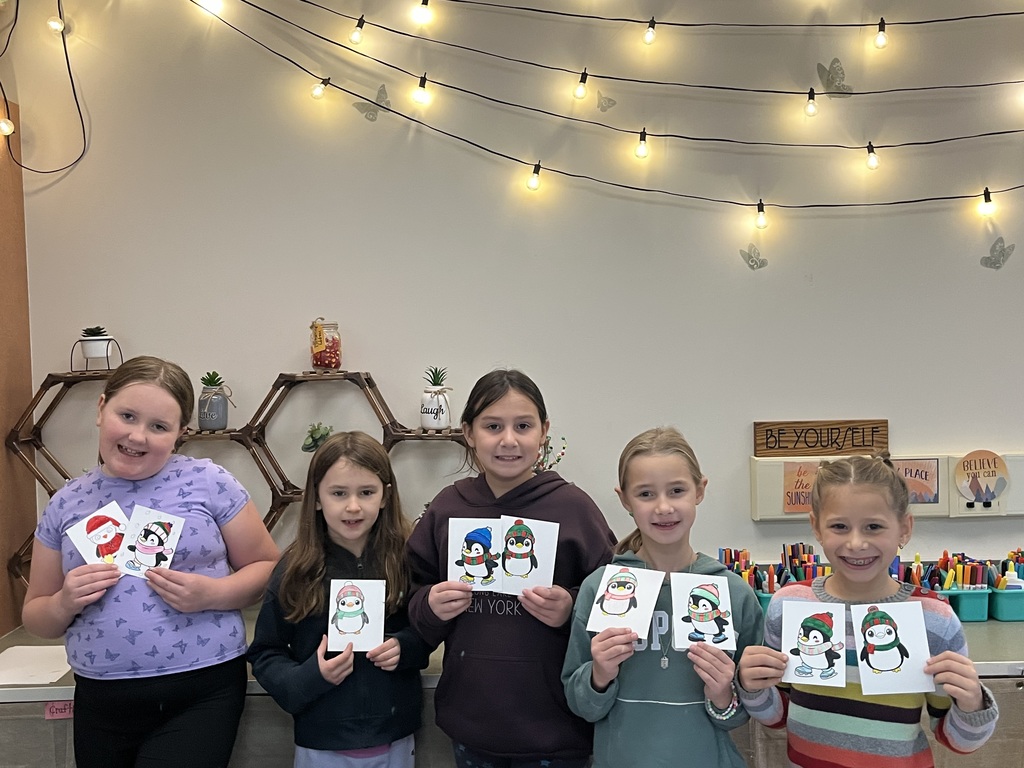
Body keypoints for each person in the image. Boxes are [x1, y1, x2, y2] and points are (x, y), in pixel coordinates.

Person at [22, 355, 280, 768]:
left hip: (201, 690)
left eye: (159, 426)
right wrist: (64, 602)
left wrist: (214, 593)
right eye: (126, 415)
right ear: (101, 408)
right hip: (101, 697)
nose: (137, 436)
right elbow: (36, 615)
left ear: (180, 434)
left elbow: (268, 567)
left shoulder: (209, 482)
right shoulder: (65, 503)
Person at [406, 369, 616, 768]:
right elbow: (411, 600)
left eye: (523, 426)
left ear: (544, 431)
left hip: (557, 730)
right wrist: (430, 605)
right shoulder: (448, 509)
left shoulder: (573, 509)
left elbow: (616, 598)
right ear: (468, 432)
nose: (508, 440)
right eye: (492, 426)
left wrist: (572, 607)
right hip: (472, 726)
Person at [737, 454, 1000, 767]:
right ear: (816, 528)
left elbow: (954, 739)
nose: (856, 543)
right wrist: (752, 686)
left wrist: (972, 702)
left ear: (904, 529)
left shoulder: (933, 618)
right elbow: (777, 716)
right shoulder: (790, 605)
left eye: (874, 526)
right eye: (839, 526)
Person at [561, 426, 762, 767]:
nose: (664, 507)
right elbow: (582, 707)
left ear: (700, 490)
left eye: (677, 490)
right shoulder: (601, 589)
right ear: (624, 499)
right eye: (645, 494)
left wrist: (721, 693)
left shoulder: (733, 594)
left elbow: (742, 716)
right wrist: (599, 674)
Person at [247, 431, 432, 768]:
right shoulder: (295, 569)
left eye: (366, 492)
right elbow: (265, 652)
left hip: (395, 735)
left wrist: (405, 647)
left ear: (385, 496)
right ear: (316, 497)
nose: (353, 506)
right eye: (338, 493)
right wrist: (311, 675)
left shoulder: (407, 560)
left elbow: (426, 631)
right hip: (321, 742)